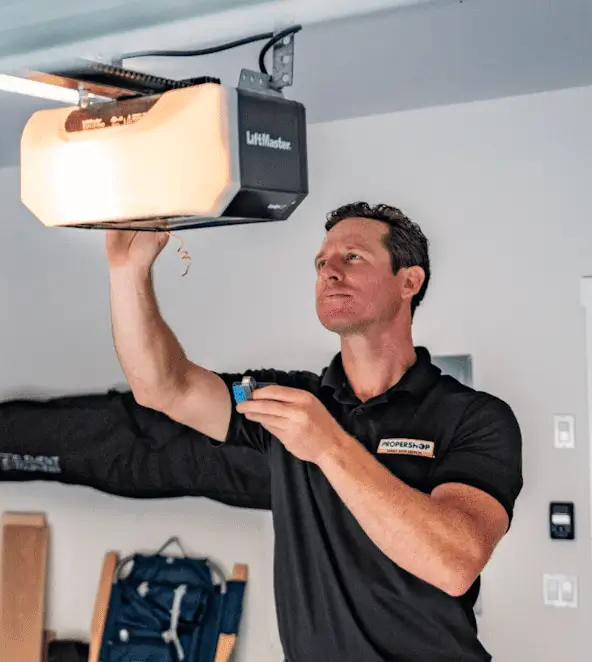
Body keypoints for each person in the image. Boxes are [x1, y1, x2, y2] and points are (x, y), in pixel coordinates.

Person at [104, 202, 523, 661]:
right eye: (322, 263)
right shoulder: (288, 400)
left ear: (409, 281)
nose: (330, 272)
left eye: (353, 257)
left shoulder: (475, 418)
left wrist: (329, 446)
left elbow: (454, 564)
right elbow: (165, 387)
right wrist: (128, 272)